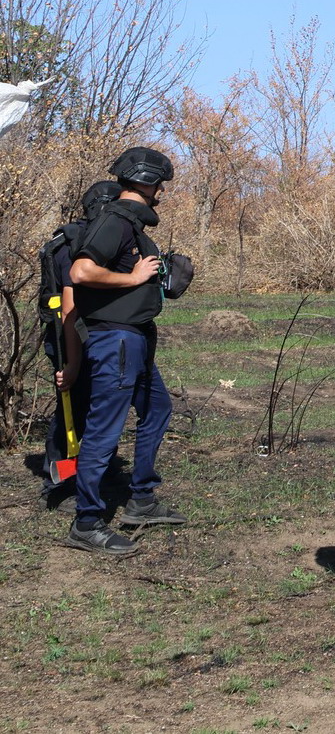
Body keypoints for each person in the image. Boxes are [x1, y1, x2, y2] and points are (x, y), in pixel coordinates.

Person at [65, 149, 185, 556]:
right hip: (115, 339)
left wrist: (158, 280)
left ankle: (142, 500)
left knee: (158, 409)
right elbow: (80, 272)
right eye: (161, 184)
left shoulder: (131, 224)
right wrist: (133, 276)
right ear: (148, 181)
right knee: (105, 428)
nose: (162, 192)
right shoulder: (115, 219)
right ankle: (86, 521)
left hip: (136, 336)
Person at [40, 180, 122, 501]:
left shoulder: (97, 239)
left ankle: (99, 468)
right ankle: (58, 477)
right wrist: (72, 365)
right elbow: (68, 309)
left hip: (93, 334)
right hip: (66, 334)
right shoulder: (73, 245)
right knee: (71, 405)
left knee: (99, 404)